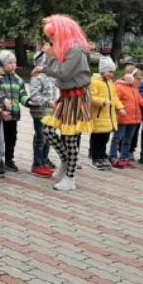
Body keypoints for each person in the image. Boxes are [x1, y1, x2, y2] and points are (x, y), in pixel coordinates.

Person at [39, 15, 94, 191]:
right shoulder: (65, 49)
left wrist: (50, 57)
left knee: (70, 137)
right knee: (48, 130)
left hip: (77, 97)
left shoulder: (75, 50)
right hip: (66, 96)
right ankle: (65, 160)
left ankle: (70, 178)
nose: (51, 40)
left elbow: (63, 73)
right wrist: (47, 64)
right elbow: (58, 73)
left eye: (53, 35)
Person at [89, 57, 123, 171]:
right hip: (98, 117)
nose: (111, 74)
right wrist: (102, 101)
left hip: (108, 118)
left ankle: (102, 156)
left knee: (105, 139)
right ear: (102, 71)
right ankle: (95, 158)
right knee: (97, 139)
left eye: (113, 72)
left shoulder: (110, 83)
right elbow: (90, 97)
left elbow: (115, 97)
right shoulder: (94, 82)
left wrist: (120, 107)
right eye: (109, 71)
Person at [27, 57, 59, 177]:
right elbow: (34, 96)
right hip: (40, 112)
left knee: (48, 138)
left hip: (51, 113)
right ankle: (37, 164)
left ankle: (44, 161)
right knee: (41, 138)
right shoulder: (37, 77)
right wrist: (48, 102)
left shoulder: (52, 77)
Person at [0, 50, 29, 172]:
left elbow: (22, 95)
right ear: (2, 64)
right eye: (9, 63)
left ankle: (9, 159)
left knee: (12, 137)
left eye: (14, 63)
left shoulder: (18, 80)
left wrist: (29, 101)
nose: (13, 65)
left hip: (13, 115)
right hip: (1, 115)